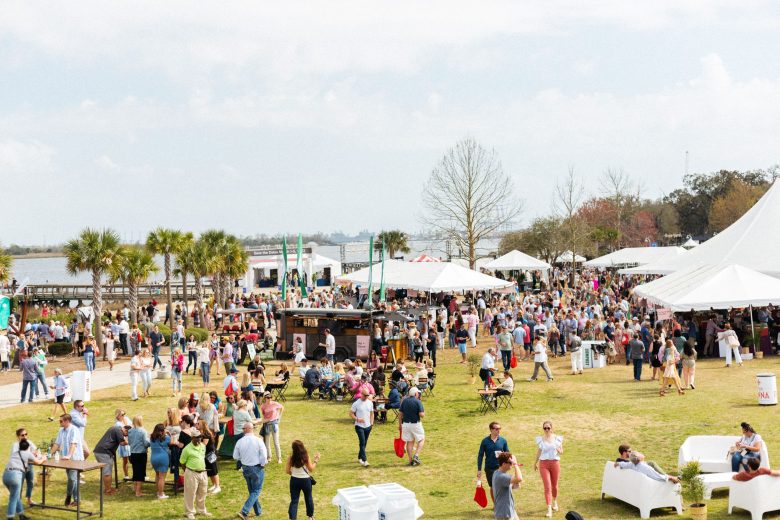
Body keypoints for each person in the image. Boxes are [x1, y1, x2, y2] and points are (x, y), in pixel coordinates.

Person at [233, 422, 268, 520]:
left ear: (246, 429)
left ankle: (258, 511)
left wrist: (243, 459)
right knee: (256, 490)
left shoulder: (240, 442)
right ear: (251, 429)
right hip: (256, 468)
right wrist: (262, 464)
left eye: (243, 428)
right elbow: (264, 455)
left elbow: (235, 456)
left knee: (252, 491)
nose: (243, 430)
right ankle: (244, 511)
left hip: (245, 468)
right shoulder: (258, 440)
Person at [4, 438, 43, 520]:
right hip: (15, 476)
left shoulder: (15, 453)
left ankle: (21, 515)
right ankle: (10, 517)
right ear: (28, 447)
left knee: (16, 496)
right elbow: (39, 462)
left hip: (5, 476)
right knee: (13, 498)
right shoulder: (27, 453)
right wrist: (44, 458)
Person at [51, 413, 84, 507]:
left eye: (61, 421)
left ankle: (69, 495)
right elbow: (57, 444)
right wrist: (49, 454)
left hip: (75, 459)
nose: (59, 422)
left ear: (67, 421)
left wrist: (69, 455)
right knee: (74, 480)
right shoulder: (61, 430)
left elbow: (73, 444)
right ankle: (77, 500)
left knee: (72, 478)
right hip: (66, 459)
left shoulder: (74, 430)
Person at [534, 421, 563, 517]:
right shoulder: (540, 439)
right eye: (545, 428)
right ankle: (549, 508)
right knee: (547, 486)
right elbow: (539, 451)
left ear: (551, 428)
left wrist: (559, 450)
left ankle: (555, 501)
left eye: (548, 428)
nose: (546, 430)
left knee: (554, 486)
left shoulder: (557, 439)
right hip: (544, 464)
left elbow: (561, 451)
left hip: (555, 463)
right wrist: (535, 463)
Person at [180, 429, 210, 520]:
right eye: (197, 437)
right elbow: (182, 462)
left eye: (200, 437)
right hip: (191, 473)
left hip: (203, 472)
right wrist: (188, 471)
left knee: (203, 492)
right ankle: (189, 512)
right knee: (190, 493)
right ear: (192, 438)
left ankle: (201, 510)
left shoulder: (203, 446)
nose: (199, 439)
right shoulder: (187, 449)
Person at [286, 440, 320, 520]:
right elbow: (311, 469)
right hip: (305, 481)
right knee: (308, 498)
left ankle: (292, 518)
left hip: (294, 480)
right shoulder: (306, 456)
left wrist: (294, 474)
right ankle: (310, 516)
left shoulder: (291, 457)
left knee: (294, 500)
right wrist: (316, 460)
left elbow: (287, 471)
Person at [477, 421, 510, 502]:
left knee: (503, 486)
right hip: (490, 468)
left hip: (501, 468)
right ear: (491, 430)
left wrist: (503, 455)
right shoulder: (485, 441)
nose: (499, 430)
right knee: (492, 487)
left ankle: (503, 502)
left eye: (499, 428)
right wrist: (479, 469)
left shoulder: (503, 441)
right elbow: (480, 455)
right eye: (496, 429)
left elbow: (508, 453)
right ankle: (496, 504)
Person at [93, 423, 128, 496]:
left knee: (105, 471)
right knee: (107, 472)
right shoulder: (119, 431)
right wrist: (128, 441)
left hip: (99, 451)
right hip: (104, 452)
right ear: (125, 430)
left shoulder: (114, 428)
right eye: (126, 434)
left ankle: (107, 488)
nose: (125, 436)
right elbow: (122, 443)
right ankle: (108, 491)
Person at [9, 428, 38, 510]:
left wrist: (33, 453)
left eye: (26, 434)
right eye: (22, 435)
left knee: (30, 483)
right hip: (20, 468)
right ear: (18, 436)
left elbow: (35, 451)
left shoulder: (29, 442)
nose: (25, 436)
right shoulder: (15, 445)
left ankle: (29, 500)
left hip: (29, 465)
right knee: (19, 486)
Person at [399, 387, 425, 466]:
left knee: (410, 442)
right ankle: (416, 456)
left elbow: (400, 415)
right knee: (421, 439)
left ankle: (410, 460)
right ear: (416, 393)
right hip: (415, 424)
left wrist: (400, 425)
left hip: (406, 424)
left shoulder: (404, 401)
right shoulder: (418, 401)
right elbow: (422, 415)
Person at [492, 451, 523, 520]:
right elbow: (519, 478)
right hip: (504, 513)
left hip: (509, 510)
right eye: (510, 463)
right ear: (504, 464)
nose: (511, 465)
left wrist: (512, 486)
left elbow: (502, 487)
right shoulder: (501, 476)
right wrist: (515, 464)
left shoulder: (496, 473)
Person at [615, 452, 680, 483]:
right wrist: (670, 478)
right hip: (650, 486)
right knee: (674, 481)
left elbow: (624, 464)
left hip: (638, 485)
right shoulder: (646, 468)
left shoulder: (631, 464)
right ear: (639, 458)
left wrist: (618, 463)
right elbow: (657, 477)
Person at [350, 388, 374, 467]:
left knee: (364, 443)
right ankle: (365, 460)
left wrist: (371, 423)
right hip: (359, 426)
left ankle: (360, 457)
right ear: (361, 394)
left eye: (368, 395)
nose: (367, 397)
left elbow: (372, 413)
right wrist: (357, 419)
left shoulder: (370, 403)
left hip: (368, 426)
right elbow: (351, 414)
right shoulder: (356, 403)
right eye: (365, 395)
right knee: (362, 442)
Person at [128, 415, 150, 497]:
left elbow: (129, 442)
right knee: (140, 473)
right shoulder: (143, 431)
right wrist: (150, 440)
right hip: (141, 454)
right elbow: (146, 443)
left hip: (133, 454)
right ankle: (138, 492)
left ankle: (135, 489)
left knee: (135, 472)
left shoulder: (130, 431)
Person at [196, 420, 220, 495]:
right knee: (210, 470)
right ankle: (214, 485)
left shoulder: (206, 434)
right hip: (206, 454)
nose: (196, 424)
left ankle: (217, 486)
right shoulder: (201, 433)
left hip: (210, 454)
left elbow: (204, 444)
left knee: (214, 470)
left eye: (198, 424)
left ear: (202, 425)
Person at [260, 392, 284, 464]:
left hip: (274, 424)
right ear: (265, 398)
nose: (269, 399)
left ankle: (279, 458)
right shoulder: (263, 406)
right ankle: (269, 456)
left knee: (276, 442)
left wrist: (279, 417)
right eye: (268, 397)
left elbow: (282, 407)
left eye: (270, 397)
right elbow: (264, 415)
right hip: (266, 424)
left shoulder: (275, 404)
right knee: (267, 442)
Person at [149, 424, 172, 500]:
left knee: (157, 475)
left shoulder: (152, 438)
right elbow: (172, 442)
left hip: (153, 458)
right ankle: (161, 494)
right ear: (162, 431)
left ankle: (158, 491)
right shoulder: (167, 438)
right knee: (162, 477)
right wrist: (169, 434)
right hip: (163, 458)